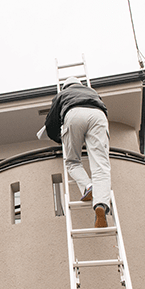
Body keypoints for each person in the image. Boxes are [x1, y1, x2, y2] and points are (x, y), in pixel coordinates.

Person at [44, 76, 111, 228]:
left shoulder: (62, 94)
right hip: (98, 115)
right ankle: (101, 204)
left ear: (65, 87)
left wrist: (61, 139)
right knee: (101, 165)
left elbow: (51, 122)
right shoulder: (92, 92)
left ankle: (88, 186)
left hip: (73, 114)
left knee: (72, 161)